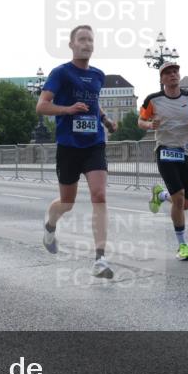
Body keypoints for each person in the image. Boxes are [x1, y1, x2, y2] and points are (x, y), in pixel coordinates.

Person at [36, 24, 119, 278]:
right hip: (69, 146)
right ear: (72, 45)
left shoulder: (98, 75)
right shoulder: (60, 73)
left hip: (94, 142)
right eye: (82, 39)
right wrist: (68, 110)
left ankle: (100, 259)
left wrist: (105, 120)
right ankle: (50, 225)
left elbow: (94, 103)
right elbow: (42, 106)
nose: (87, 44)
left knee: (99, 195)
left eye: (90, 40)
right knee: (68, 202)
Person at [138, 61, 188, 261]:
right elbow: (140, 121)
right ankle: (182, 245)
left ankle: (160, 195)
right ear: (162, 79)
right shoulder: (153, 100)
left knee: (185, 204)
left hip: (186, 152)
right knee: (179, 198)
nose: (173, 75)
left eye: (175, 71)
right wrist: (150, 124)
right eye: (168, 73)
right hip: (165, 151)